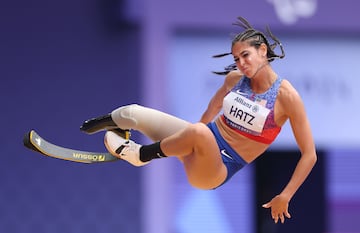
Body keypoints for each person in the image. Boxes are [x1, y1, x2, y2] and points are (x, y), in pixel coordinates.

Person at [80, 16, 317, 224]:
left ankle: (141, 155)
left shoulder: (287, 97)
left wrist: (285, 195)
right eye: (236, 58)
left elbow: (309, 154)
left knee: (199, 132)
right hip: (200, 142)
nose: (241, 64)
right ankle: (87, 129)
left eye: (246, 55)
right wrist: (185, 138)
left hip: (217, 169)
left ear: (263, 51)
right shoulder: (235, 79)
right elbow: (212, 108)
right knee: (130, 113)